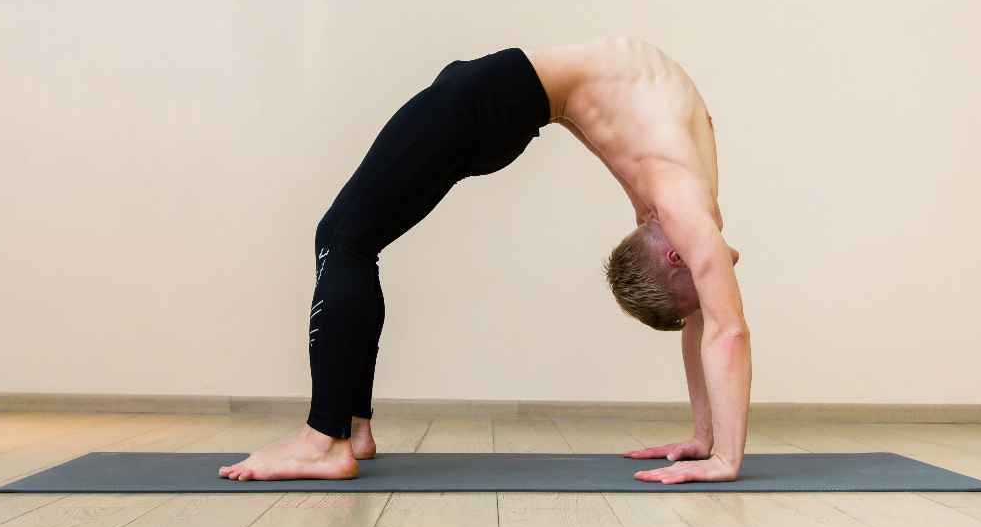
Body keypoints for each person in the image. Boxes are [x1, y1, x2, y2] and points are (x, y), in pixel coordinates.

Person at [219, 36, 751, 484]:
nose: (716, 281)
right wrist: (719, 451)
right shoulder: (687, 206)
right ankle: (348, 430)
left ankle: (324, 440)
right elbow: (721, 329)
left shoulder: (684, 204)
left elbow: (716, 329)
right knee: (350, 240)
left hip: (491, 99)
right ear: (678, 257)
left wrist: (715, 448)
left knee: (343, 239)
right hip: (493, 100)